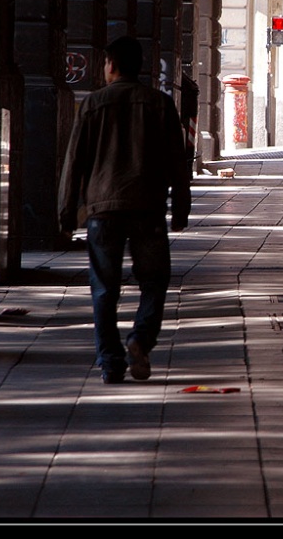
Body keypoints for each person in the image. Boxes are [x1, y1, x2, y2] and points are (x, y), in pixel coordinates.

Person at [58, 35, 191, 384]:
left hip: (102, 209)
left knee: (104, 288)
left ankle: (111, 362)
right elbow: (178, 161)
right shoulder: (160, 104)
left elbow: (74, 162)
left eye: (104, 63)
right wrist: (180, 208)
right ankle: (140, 339)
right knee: (154, 280)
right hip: (147, 207)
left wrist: (65, 212)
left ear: (111, 65)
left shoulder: (92, 105)